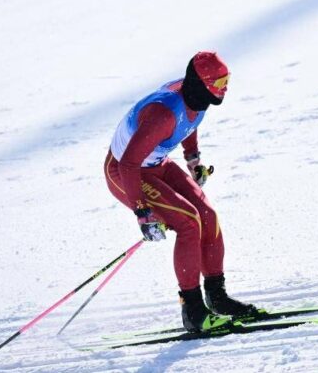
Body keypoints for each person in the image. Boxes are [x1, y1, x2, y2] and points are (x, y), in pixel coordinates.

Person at [104, 51, 259, 332]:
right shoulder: (162, 115)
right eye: (221, 81)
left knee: (207, 216)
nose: (226, 87)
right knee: (188, 222)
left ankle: (217, 298)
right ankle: (193, 312)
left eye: (228, 80)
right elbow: (128, 163)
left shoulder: (196, 96)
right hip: (126, 171)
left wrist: (192, 158)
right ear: (202, 83)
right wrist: (143, 213)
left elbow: (190, 122)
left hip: (156, 162)